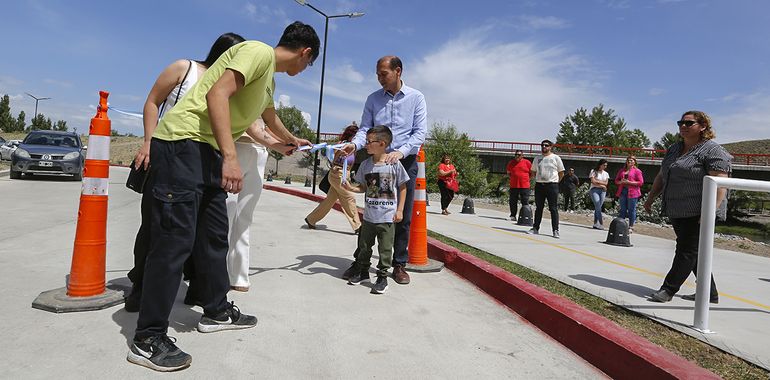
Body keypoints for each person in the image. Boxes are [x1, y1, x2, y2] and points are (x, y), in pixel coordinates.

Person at [127, 22, 318, 372]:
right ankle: (147, 337)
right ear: (305, 52)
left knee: (215, 235)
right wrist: (231, 158)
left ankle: (215, 310)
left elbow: (263, 116)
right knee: (174, 242)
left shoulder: (268, 78)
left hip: (208, 154)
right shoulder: (257, 52)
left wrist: (288, 140)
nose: (304, 70)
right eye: (308, 64)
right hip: (184, 145)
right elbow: (217, 96)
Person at [125, 32, 246, 313]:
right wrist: (148, 142)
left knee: (202, 231)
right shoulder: (186, 68)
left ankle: (200, 292)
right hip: (169, 152)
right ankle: (139, 289)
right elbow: (152, 101)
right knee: (157, 228)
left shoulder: (228, 84)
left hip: (205, 162)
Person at [341, 55, 427, 285]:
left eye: (384, 74)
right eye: (378, 74)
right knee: (371, 213)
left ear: (398, 71)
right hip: (375, 162)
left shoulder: (416, 98)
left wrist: (402, 151)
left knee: (401, 215)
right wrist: (356, 144)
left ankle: (398, 263)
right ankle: (361, 261)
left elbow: (419, 132)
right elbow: (365, 128)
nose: (379, 78)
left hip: (402, 161)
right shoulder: (373, 99)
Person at [645, 110, 731, 304]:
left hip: (698, 211)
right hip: (676, 208)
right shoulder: (674, 149)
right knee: (694, 252)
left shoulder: (712, 150)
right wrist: (651, 198)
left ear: (702, 127)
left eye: (689, 123)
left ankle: (668, 290)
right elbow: (662, 175)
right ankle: (710, 293)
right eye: (681, 123)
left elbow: (720, 183)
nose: (683, 126)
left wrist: (709, 212)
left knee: (686, 250)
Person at [227, 119, 294, 292]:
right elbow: (249, 122)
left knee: (244, 218)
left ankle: (239, 275)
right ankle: (214, 272)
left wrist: (288, 141)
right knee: (226, 215)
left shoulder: (266, 94)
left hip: (259, 150)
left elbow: (263, 125)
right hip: (235, 145)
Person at [342, 126, 409, 294]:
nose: (366, 145)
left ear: (382, 143)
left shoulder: (394, 164)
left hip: (387, 218)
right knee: (364, 246)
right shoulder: (365, 165)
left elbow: (402, 187)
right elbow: (364, 187)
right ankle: (363, 271)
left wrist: (400, 210)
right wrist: (351, 187)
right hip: (369, 217)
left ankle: (382, 276)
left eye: (369, 142)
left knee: (385, 249)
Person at [304, 124, 362, 233]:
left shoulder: (353, 147)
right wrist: (340, 152)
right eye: (355, 136)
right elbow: (332, 155)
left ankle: (311, 219)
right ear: (351, 135)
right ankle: (358, 225)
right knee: (349, 197)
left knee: (329, 201)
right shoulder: (341, 145)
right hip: (338, 173)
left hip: (346, 174)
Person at [528, 139, 564, 238]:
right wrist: (536, 179)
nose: (544, 147)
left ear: (550, 147)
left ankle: (555, 230)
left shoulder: (556, 158)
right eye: (542, 145)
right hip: (540, 185)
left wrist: (556, 182)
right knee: (539, 208)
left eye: (546, 145)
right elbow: (533, 171)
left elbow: (561, 172)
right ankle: (535, 228)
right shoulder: (537, 158)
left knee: (553, 208)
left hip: (552, 185)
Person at [614, 155, 644, 233]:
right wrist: (621, 182)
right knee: (622, 209)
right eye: (628, 160)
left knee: (631, 209)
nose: (630, 162)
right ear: (626, 162)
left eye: (632, 160)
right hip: (623, 191)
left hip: (633, 192)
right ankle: (621, 225)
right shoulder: (622, 170)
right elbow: (616, 180)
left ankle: (631, 226)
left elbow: (641, 182)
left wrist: (629, 182)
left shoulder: (637, 171)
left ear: (634, 162)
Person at [506, 150, 532, 220]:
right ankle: (513, 215)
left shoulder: (527, 162)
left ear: (522, 156)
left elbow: (532, 173)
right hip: (514, 185)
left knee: (525, 201)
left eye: (519, 155)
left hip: (524, 186)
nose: (517, 156)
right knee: (513, 201)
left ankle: (525, 216)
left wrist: (526, 179)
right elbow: (508, 173)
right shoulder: (511, 163)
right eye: (516, 154)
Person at [589, 159, 610, 229]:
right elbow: (593, 181)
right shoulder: (593, 171)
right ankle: (601, 223)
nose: (605, 167)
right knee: (598, 205)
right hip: (594, 190)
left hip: (603, 191)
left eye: (606, 165)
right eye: (604, 165)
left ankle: (595, 223)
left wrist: (598, 182)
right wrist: (601, 184)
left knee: (598, 207)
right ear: (600, 165)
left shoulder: (606, 174)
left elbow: (606, 183)